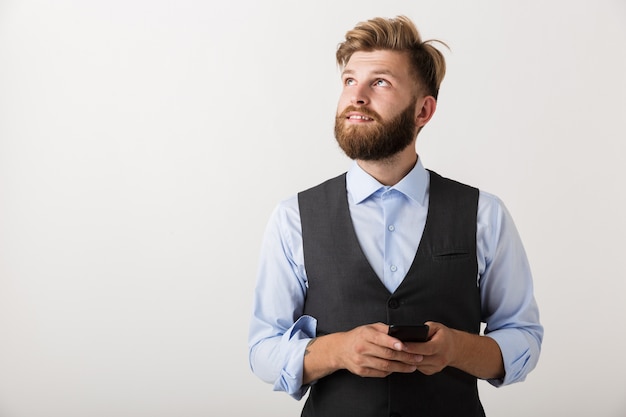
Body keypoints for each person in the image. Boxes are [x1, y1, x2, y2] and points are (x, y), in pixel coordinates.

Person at [248, 15, 543, 417]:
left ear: (423, 110)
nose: (357, 96)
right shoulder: (293, 218)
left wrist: (457, 348)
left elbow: (523, 339)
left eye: (380, 82)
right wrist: (337, 351)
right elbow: (262, 349)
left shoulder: (483, 216)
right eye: (350, 81)